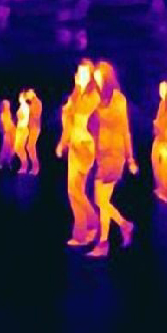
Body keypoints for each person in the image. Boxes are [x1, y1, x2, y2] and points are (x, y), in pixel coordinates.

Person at [87, 61, 138, 257]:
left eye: (100, 77)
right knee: (102, 201)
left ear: (107, 78)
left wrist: (130, 158)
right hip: (101, 155)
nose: (97, 81)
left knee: (101, 201)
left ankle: (106, 241)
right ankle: (121, 228)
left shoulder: (118, 99)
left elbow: (125, 130)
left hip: (115, 154)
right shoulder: (96, 100)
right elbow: (92, 127)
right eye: (96, 78)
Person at [56, 59, 100, 246]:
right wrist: (62, 143)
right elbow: (68, 122)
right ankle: (91, 226)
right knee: (74, 191)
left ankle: (84, 231)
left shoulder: (92, 96)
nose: (80, 76)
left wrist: (76, 92)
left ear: (90, 76)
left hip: (84, 146)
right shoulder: (78, 94)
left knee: (74, 191)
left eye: (84, 73)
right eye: (79, 72)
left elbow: (80, 115)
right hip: (74, 145)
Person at [152, 81, 167, 202]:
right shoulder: (164, 102)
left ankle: (166, 192)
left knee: (164, 165)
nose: (160, 91)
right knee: (159, 163)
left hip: (165, 140)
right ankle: (164, 189)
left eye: (162, 88)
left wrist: (165, 133)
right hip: (161, 137)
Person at [25, 89, 42, 175]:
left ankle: (36, 167)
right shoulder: (33, 102)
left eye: (28, 93)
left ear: (32, 92)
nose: (27, 95)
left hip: (35, 127)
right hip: (32, 127)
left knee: (30, 146)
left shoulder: (36, 102)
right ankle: (34, 167)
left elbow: (36, 115)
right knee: (30, 147)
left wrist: (29, 108)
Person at [14, 91, 30, 173]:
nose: (19, 98)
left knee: (19, 148)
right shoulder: (22, 106)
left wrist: (19, 115)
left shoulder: (25, 106)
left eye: (20, 96)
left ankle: (24, 165)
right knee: (17, 148)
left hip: (22, 128)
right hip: (20, 128)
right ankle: (24, 165)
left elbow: (22, 117)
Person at [0, 99, 16, 169]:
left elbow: (11, 123)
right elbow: (2, 124)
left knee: (10, 148)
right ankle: (1, 162)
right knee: (4, 147)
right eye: (5, 105)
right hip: (6, 133)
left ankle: (8, 162)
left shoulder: (8, 114)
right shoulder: (1, 114)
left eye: (8, 105)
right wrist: (4, 130)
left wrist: (13, 129)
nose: (7, 106)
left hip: (11, 133)